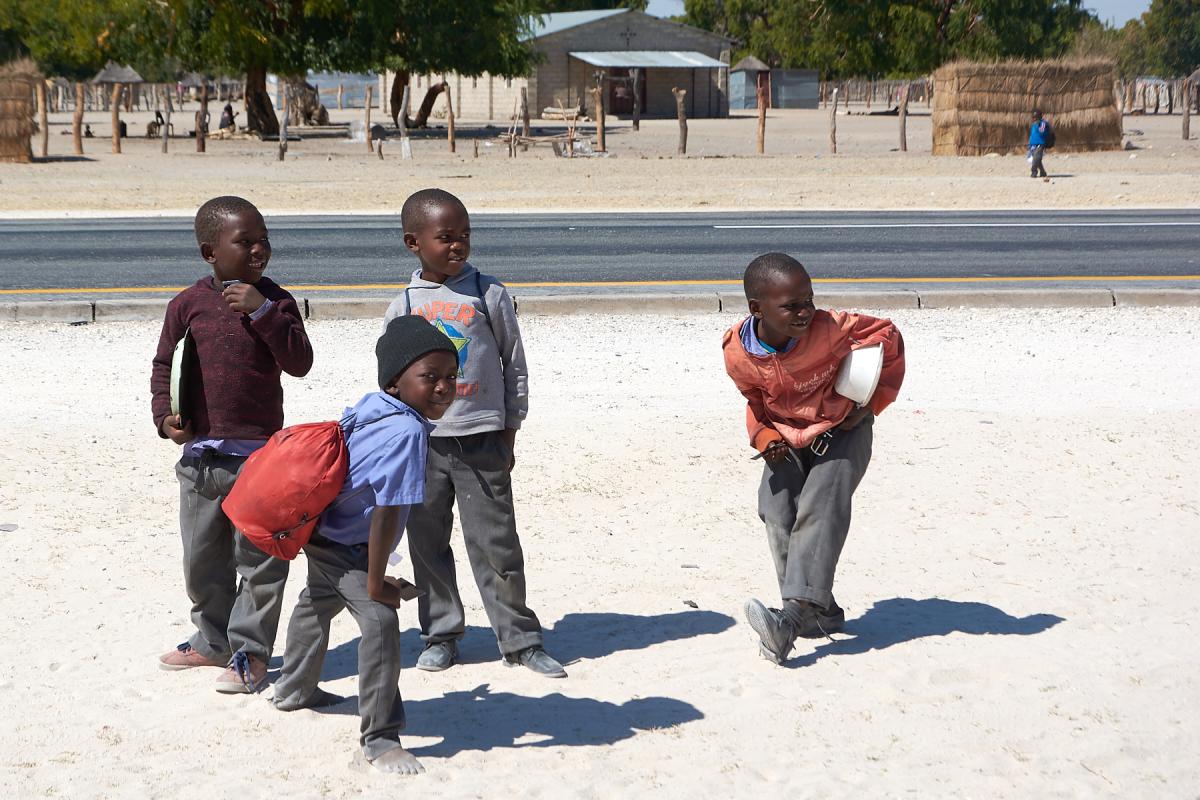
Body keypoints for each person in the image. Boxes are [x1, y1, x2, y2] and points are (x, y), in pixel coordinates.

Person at [383, 188, 566, 678]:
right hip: (421, 445)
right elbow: (389, 381)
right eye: (445, 237)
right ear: (413, 243)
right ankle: (441, 633)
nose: (457, 246)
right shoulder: (403, 304)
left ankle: (520, 639)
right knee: (427, 543)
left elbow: (514, 365)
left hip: (482, 439)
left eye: (464, 236)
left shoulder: (489, 293)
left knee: (496, 543)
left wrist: (510, 429)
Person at [272, 315, 460, 776]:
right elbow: (387, 512)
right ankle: (380, 739)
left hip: (320, 532)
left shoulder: (372, 407)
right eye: (430, 377)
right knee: (379, 623)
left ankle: (294, 690)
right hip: (347, 544)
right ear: (396, 382)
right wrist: (377, 583)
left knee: (316, 603)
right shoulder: (409, 432)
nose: (443, 387)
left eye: (451, 377)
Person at [150, 195, 314, 692]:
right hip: (201, 459)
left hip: (260, 458)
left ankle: (250, 655)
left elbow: (300, 362)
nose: (258, 249)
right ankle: (211, 641)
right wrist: (165, 418)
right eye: (244, 242)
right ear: (210, 252)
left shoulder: (277, 301)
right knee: (202, 561)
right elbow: (164, 367)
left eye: (263, 238)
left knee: (260, 561)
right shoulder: (187, 304)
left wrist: (263, 312)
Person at [722, 253, 905, 665]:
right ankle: (822, 612)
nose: (805, 312)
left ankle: (790, 619)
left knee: (820, 505)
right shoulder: (737, 352)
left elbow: (889, 337)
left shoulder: (834, 328)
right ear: (757, 309)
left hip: (843, 431)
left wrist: (872, 403)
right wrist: (763, 435)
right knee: (776, 509)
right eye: (791, 306)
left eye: (809, 300)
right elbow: (755, 400)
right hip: (787, 436)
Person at [1029, 109, 1051, 180]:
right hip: (1032, 145)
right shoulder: (1033, 124)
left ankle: (1034, 172)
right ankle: (1043, 172)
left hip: (1040, 144)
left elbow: (1042, 132)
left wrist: (1039, 124)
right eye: (1033, 117)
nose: (1034, 118)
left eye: (1036, 117)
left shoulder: (1043, 123)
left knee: (1036, 159)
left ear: (1039, 116)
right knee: (1037, 160)